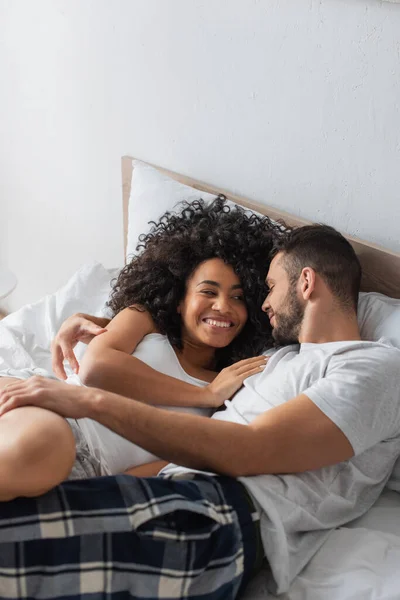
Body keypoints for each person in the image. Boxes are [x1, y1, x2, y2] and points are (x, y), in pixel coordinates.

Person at [1, 224, 400, 600]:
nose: (264, 303)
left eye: (272, 287)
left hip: (215, 515)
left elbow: (252, 448)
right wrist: (101, 321)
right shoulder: (276, 360)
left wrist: (90, 402)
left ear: (307, 282)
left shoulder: (372, 367)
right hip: (166, 490)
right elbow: (185, 341)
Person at [0, 197, 282, 498]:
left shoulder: (233, 387)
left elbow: (173, 464)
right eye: (208, 291)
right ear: (179, 299)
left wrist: (96, 496)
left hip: (85, 461)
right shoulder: (145, 319)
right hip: (44, 402)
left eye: (239, 298)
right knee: (34, 449)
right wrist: (203, 394)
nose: (223, 306)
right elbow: (97, 368)